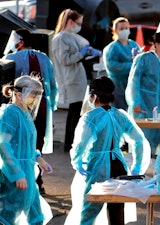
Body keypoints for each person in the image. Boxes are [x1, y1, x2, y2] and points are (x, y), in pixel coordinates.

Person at [67, 76, 151, 224]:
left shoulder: (90, 118)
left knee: (88, 212)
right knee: (116, 211)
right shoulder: (120, 115)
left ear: (93, 96)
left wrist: (77, 161)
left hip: (98, 167)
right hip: (119, 166)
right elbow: (139, 140)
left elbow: (81, 144)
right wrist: (137, 167)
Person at [3, 28, 58, 194]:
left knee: (18, 142)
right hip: (42, 105)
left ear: (20, 42)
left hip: (19, 106)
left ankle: (20, 177)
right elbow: (53, 86)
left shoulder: (10, 58)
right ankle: (37, 181)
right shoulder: (44, 57)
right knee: (36, 140)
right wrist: (52, 106)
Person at [0, 75, 53, 224]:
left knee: (36, 214)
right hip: (15, 173)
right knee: (10, 214)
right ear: (18, 93)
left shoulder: (25, 113)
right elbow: (3, 144)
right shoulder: (10, 113)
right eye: (33, 93)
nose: (36, 98)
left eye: (38, 93)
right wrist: (17, 174)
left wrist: (38, 158)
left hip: (27, 172)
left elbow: (25, 143)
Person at [51, 9, 101, 152]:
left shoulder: (71, 36)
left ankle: (73, 142)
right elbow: (65, 59)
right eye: (78, 23)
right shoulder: (61, 38)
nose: (79, 26)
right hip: (70, 79)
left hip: (76, 77)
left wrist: (88, 52)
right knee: (75, 111)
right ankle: (70, 143)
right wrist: (81, 53)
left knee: (77, 111)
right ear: (70, 22)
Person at [125, 32, 160, 155]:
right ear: (156, 44)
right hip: (144, 108)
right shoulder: (144, 59)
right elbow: (133, 82)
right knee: (144, 145)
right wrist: (135, 102)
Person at [103, 17, 141, 111]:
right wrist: (132, 65)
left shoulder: (134, 45)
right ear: (115, 31)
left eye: (126, 28)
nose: (124, 31)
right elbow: (112, 67)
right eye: (121, 29)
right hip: (118, 87)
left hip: (132, 85)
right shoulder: (112, 48)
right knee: (119, 114)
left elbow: (141, 62)